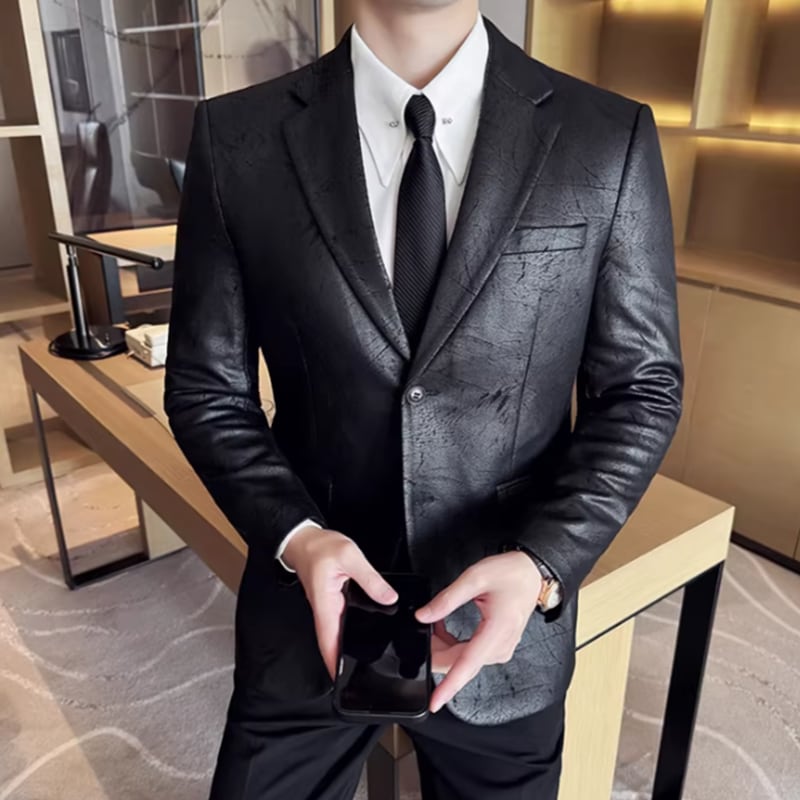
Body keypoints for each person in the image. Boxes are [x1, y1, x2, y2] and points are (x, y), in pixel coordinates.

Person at [163, 0, 683, 797]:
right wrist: (296, 536)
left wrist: (545, 563)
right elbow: (207, 388)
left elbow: (641, 388)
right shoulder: (236, 138)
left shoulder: (607, 136)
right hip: (306, 613)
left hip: (504, 628)